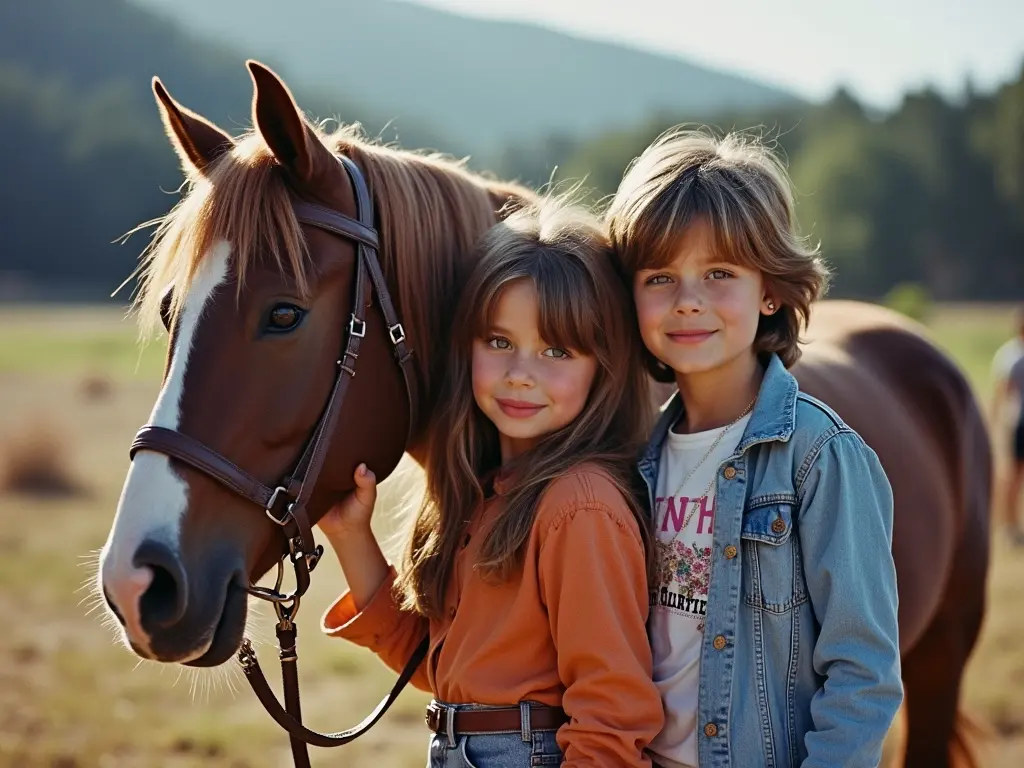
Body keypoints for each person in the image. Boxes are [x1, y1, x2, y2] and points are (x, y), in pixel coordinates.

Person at [317, 198, 665, 767]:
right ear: (467, 347)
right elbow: (432, 663)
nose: (520, 374)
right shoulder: (483, 492)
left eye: (556, 350)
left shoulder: (580, 506)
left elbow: (612, 713)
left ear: (604, 368)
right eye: (499, 342)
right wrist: (353, 537)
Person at [605, 127, 903, 768]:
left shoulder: (819, 458)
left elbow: (864, 675)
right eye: (660, 276)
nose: (688, 302)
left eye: (719, 273)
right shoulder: (636, 462)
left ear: (770, 289)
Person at [990, 306, 1024, 544]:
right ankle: (1009, 526)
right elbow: (1002, 391)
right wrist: (997, 420)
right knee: (1012, 476)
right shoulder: (1011, 356)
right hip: (1019, 422)